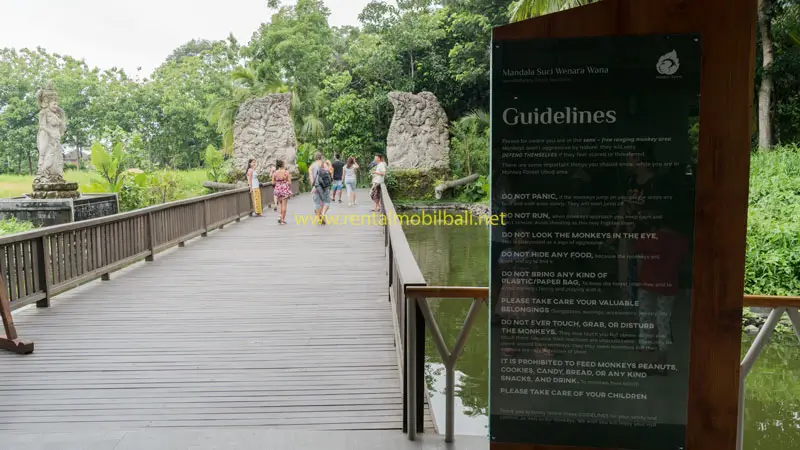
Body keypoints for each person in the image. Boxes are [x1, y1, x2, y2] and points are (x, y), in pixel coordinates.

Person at [309, 152, 332, 225]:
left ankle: (319, 219)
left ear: (315, 157)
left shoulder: (312, 166)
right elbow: (330, 171)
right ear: (321, 157)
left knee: (317, 203)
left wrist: (313, 186)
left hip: (316, 186)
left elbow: (311, 177)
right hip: (325, 186)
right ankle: (323, 213)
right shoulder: (324, 164)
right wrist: (330, 164)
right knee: (327, 201)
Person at [272, 159, 293, 225]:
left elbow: (272, 182)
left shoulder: (275, 173)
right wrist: (285, 182)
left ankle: (279, 216)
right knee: (284, 205)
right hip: (284, 189)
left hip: (278, 189)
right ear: (283, 164)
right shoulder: (286, 172)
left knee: (280, 204)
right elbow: (290, 183)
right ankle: (282, 219)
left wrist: (278, 182)